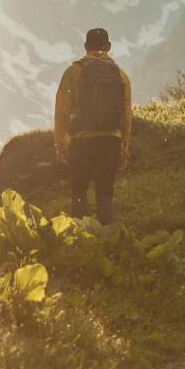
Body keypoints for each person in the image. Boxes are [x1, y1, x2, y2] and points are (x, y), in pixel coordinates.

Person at [53, 27, 132, 225]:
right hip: (111, 141)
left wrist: (61, 144)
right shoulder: (121, 76)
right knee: (105, 195)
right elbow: (126, 116)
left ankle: (78, 242)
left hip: (82, 141)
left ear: (86, 47)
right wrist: (124, 148)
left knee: (79, 193)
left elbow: (61, 112)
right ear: (109, 47)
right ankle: (108, 242)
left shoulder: (73, 72)